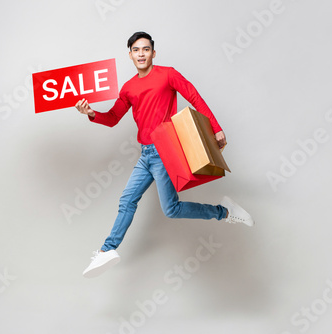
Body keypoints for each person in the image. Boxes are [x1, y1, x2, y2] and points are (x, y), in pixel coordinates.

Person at [75, 31, 254, 278]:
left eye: (146, 49)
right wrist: (91, 113)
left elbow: (193, 96)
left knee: (169, 210)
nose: (141, 54)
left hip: (165, 151)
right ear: (130, 55)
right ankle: (108, 249)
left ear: (153, 53)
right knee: (129, 201)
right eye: (136, 50)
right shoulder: (128, 88)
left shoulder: (167, 74)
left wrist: (216, 127)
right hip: (145, 155)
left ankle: (224, 211)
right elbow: (114, 118)